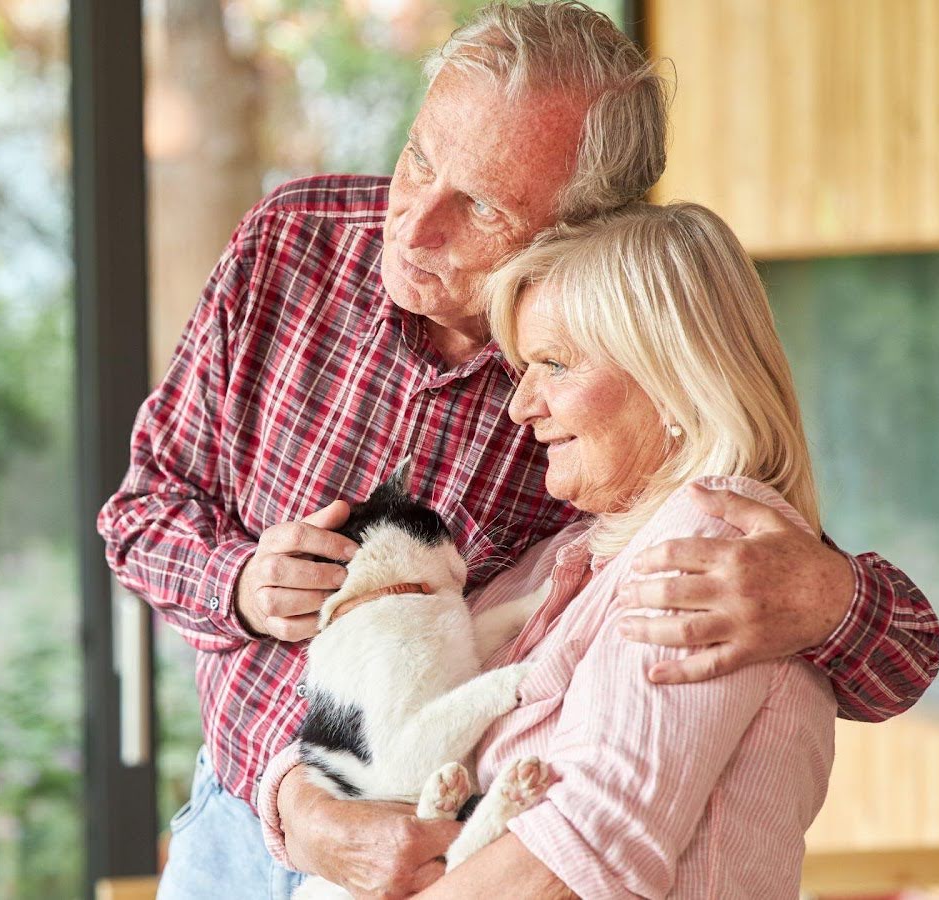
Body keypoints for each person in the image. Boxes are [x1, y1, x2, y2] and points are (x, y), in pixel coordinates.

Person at [97, 3, 939, 897]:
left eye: (482, 205)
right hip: (239, 819)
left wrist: (824, 594)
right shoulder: (293, 243)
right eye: (419, 158)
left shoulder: (609, 376)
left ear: (584, 226)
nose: (416, 226)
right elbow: (139, 514)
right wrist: (240, 593)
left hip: (450, 852)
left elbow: (845, 633)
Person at [265, 201, 845, 898]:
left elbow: (573, 859)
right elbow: (373, 735)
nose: (520, 407)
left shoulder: (717, 551)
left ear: (672, 377)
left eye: (556, 365)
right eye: (522, 369)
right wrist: (303, 811)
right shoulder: (561, 558)